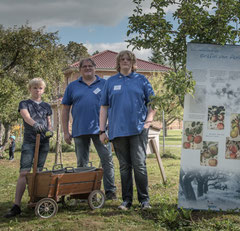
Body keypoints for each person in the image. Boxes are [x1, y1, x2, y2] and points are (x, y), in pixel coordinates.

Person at [99, 50, 156, 210]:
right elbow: (104, 107)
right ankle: (126, 201)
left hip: (138, 129)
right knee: (124, 167)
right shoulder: (110, 82)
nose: (125, 61)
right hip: (117, 131)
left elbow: (153, 103)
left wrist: (148, 121)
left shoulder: (142, 80)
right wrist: (102, 130)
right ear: (118, 62)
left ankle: (144, 201)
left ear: (132, 62)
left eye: (128, 59)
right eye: (122, 59)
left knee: (139, 165)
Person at [61, 58, 117, 200]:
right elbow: (65, 109)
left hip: (101, 131)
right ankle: (83, 192)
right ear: (80, 69)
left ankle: (110, 191)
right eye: (84, 66)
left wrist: (112, 128)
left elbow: (113, 107)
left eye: (90, 66)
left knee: (107, 160)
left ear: (95, 68)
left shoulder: (105, 84)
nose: (87, 68)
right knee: (81, 163)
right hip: (79, 130)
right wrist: (66, 131)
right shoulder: (72, 86)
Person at [4, 78, 52, 218]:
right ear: (30, 89)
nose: (38, 90)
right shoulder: (24, 103)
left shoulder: (47, 106)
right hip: (30, 142)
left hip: (43, 142)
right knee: (24, 173)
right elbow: (26, 117)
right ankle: (16, 205)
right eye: (35, 88)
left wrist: (49, 130)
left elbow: (49, 122)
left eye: (40, 88)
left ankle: (36, 199)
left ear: (43, 90)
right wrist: (35, 124)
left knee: (39, 172)